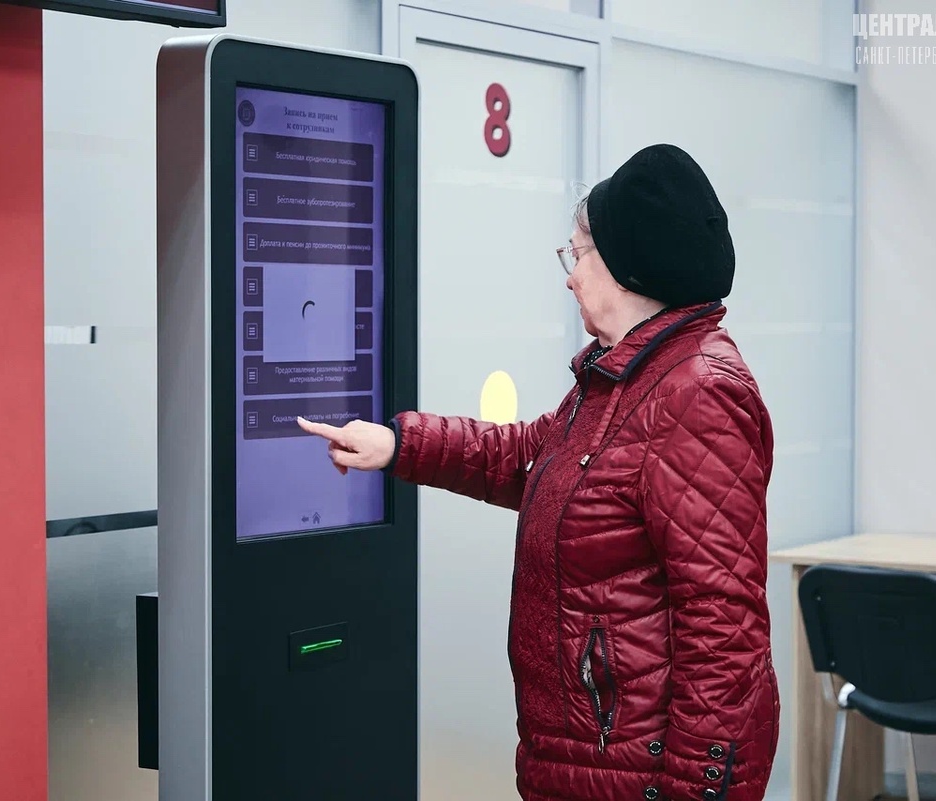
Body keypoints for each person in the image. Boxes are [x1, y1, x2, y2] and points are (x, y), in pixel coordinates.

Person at [298, 144, 779, 801]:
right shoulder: (621, 378)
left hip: (635, 775)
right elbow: (529, 459)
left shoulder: (695, 393)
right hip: (584, 764)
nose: (570, 276)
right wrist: (398, 443)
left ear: (627, 264)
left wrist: (698, 789)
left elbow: (722, 630)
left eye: (578, 254)